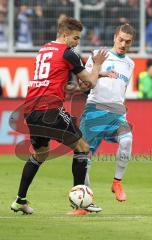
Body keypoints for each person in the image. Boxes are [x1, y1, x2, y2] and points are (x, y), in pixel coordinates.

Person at [10, 16, 108, 215]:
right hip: (50, 109)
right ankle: (81, 202)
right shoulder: (68, 53)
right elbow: (90, 82)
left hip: (31, 110)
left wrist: (69, 87)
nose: (77, 42)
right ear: (65, 35)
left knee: (40, 154)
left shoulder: (43, 49)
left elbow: (53, 79)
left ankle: (20, 200)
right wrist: (97, 66)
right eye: (76, 38)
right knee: (82, 147)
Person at [79, 24, 135, 202]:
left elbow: (122, 89)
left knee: (127, 140)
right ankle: (86, 201)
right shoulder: (98, 55)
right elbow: (85, 83)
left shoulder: (130, 63)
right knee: (85, 158)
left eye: (127, 41)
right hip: (95, 110)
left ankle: (117, 182)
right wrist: (101, 72)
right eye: (120, 39)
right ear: (114, 37)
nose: (123, 44)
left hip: (117, 113)